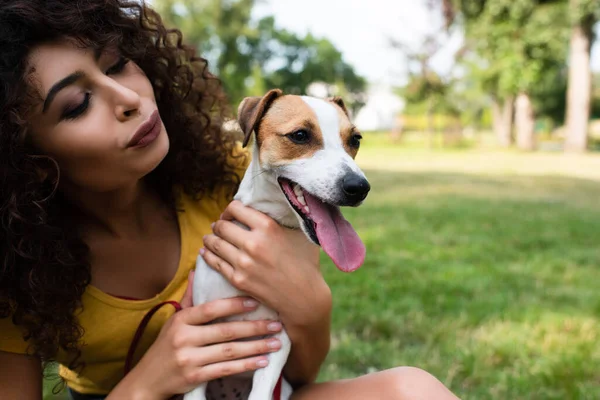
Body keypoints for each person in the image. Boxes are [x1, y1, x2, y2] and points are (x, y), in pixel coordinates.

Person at [0, 1, 460, 399]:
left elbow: (300, 373)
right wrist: (151, 379)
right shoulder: (15, 275)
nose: (128, 98)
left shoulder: (238, 172)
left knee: (413, 389)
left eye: (119, 64)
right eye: (79, 103)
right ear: (27, 157)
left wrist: (312, 306)